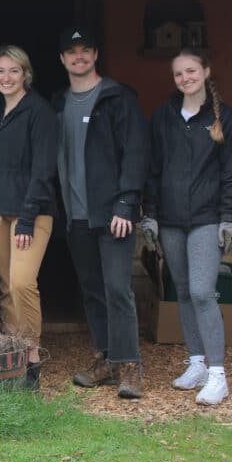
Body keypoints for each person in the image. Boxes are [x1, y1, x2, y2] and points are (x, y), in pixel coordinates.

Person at [141, 49, 232, 406]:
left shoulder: (223, 118)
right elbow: (153, 170)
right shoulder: (164, 117)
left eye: (191, 71)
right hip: (170, 218)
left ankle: (218, 375)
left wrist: (229, 217)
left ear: (206, 72)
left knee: (201, 292)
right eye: (179, 74)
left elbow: (231, 173)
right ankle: (196, 363)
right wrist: (149, 213)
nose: (185, 78)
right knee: (182, 291)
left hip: (206, 218)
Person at [53, 26, 149, 399]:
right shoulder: (58, 103)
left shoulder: (117, 98)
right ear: (62, 59)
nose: (79, 57)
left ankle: (129, 366)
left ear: (95, 55)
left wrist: (127, 202)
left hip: (113, 215)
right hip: (76, 215)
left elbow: (136, 153)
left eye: (85, 50)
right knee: (92, 290)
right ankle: (106, 359)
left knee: (116, 289)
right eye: (71, 51)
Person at [0, 45, 57, 391]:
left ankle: (31, 356)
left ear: (25, 73)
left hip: (32, 213)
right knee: (3, 285)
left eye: (13, 70)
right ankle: (11, 358)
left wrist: (28, 219)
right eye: (0, 71)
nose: (7, 77)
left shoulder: (39, 111)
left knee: (21, 282)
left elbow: (43, 170)